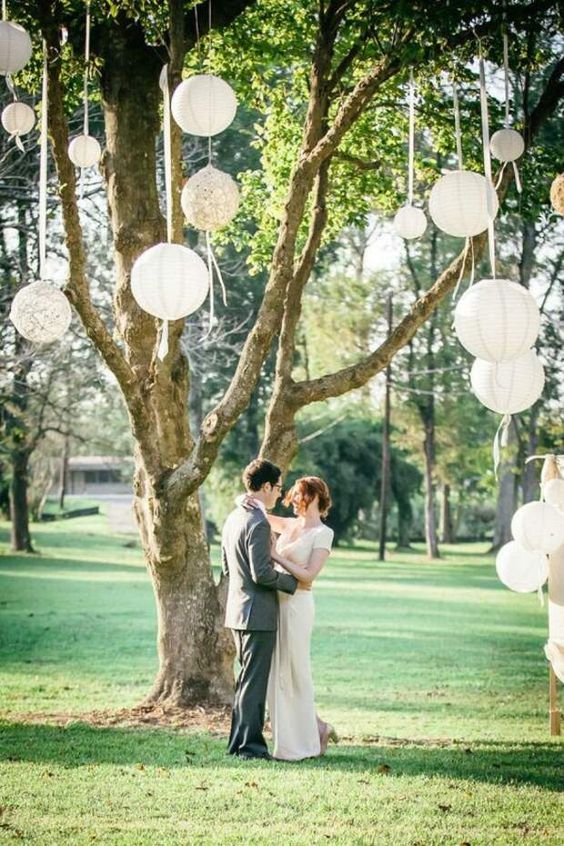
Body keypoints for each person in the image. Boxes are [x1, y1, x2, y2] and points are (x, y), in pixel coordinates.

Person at [221, 458, 298, 760]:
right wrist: (291, 583)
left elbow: (226, 566)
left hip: (238, 611)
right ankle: (251, 748)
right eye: (278, 487)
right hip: (258, 615)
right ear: (266, 486)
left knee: (245, 681)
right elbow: (262, 573)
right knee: (254, 683)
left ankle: (237, 744)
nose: (280, 494)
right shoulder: (259, 522)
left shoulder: (233, 518)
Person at [266, 476, 337, 761]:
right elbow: (256, 512)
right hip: (276, 604)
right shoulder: (288, 524)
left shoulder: (323, 533)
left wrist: (276, 556)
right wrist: (246, 499)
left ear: (317, 497)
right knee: (279, 672)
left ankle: (310, 736)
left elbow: (308, 576)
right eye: (293, 495)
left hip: (298, 607)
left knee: (296, 671)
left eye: (301, 495)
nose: (295, 500)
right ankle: (318, 726)